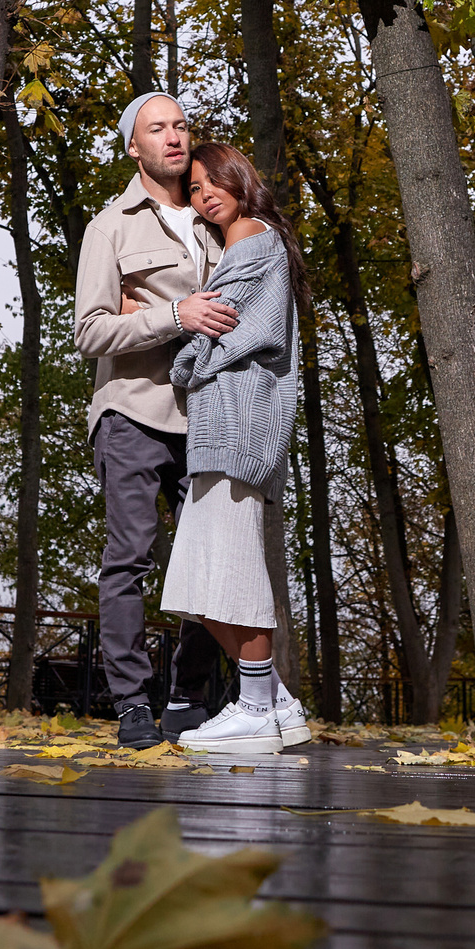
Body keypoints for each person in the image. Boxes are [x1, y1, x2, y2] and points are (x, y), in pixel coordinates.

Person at [72, 91, 232, 748]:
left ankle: (188, 694)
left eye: (181, 124)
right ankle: (133, 703)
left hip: (211, 417)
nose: (173, 136)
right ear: (133, 147)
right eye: (155, 128)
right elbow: (89, 330)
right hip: (133, 412)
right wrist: (173, 315)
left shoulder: (217, 219)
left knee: (213, 558)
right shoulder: (110, 227)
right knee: (129, 559)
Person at [155, 142, 313, 755]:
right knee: (195, 581)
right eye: (194, 189)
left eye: (214, 180)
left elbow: (249, 333)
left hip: (240, 429)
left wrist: (187, 358)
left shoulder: (254, 241)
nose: (205, 194)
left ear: (240, 177)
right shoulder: (238, 248)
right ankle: (276, 702)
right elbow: (221, 327)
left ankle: (253, 709)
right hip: (218, 432)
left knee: (231, 570)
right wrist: (196, 342)